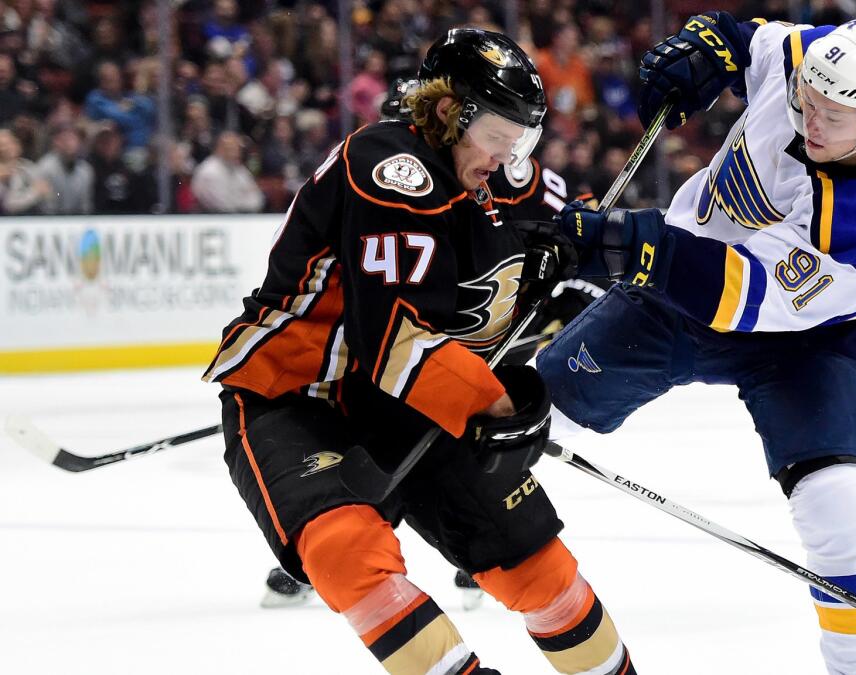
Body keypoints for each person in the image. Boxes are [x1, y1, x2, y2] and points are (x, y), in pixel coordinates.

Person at [202, 28, 636, 675]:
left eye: (519, 136)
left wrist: (586, 253)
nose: (508, 151)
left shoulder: (494, 167)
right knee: (346, 548)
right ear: (445, 111)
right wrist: (495, 403)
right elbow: (392, 341)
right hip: (295, 393)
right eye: (497, 132)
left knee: (534, 561)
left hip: (407, 394)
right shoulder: (388, 167)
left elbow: (575, 222)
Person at [538, 14, 856, 675]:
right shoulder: (811, 59)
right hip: (670, 302)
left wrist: (621, 243)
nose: (812, 120)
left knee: (846, 505)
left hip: (801, 340)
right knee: (521, 416)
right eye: (808, 99)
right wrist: (705, 52)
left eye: (835, 115)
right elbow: (745, 38)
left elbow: (737, 292)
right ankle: (372, 521)